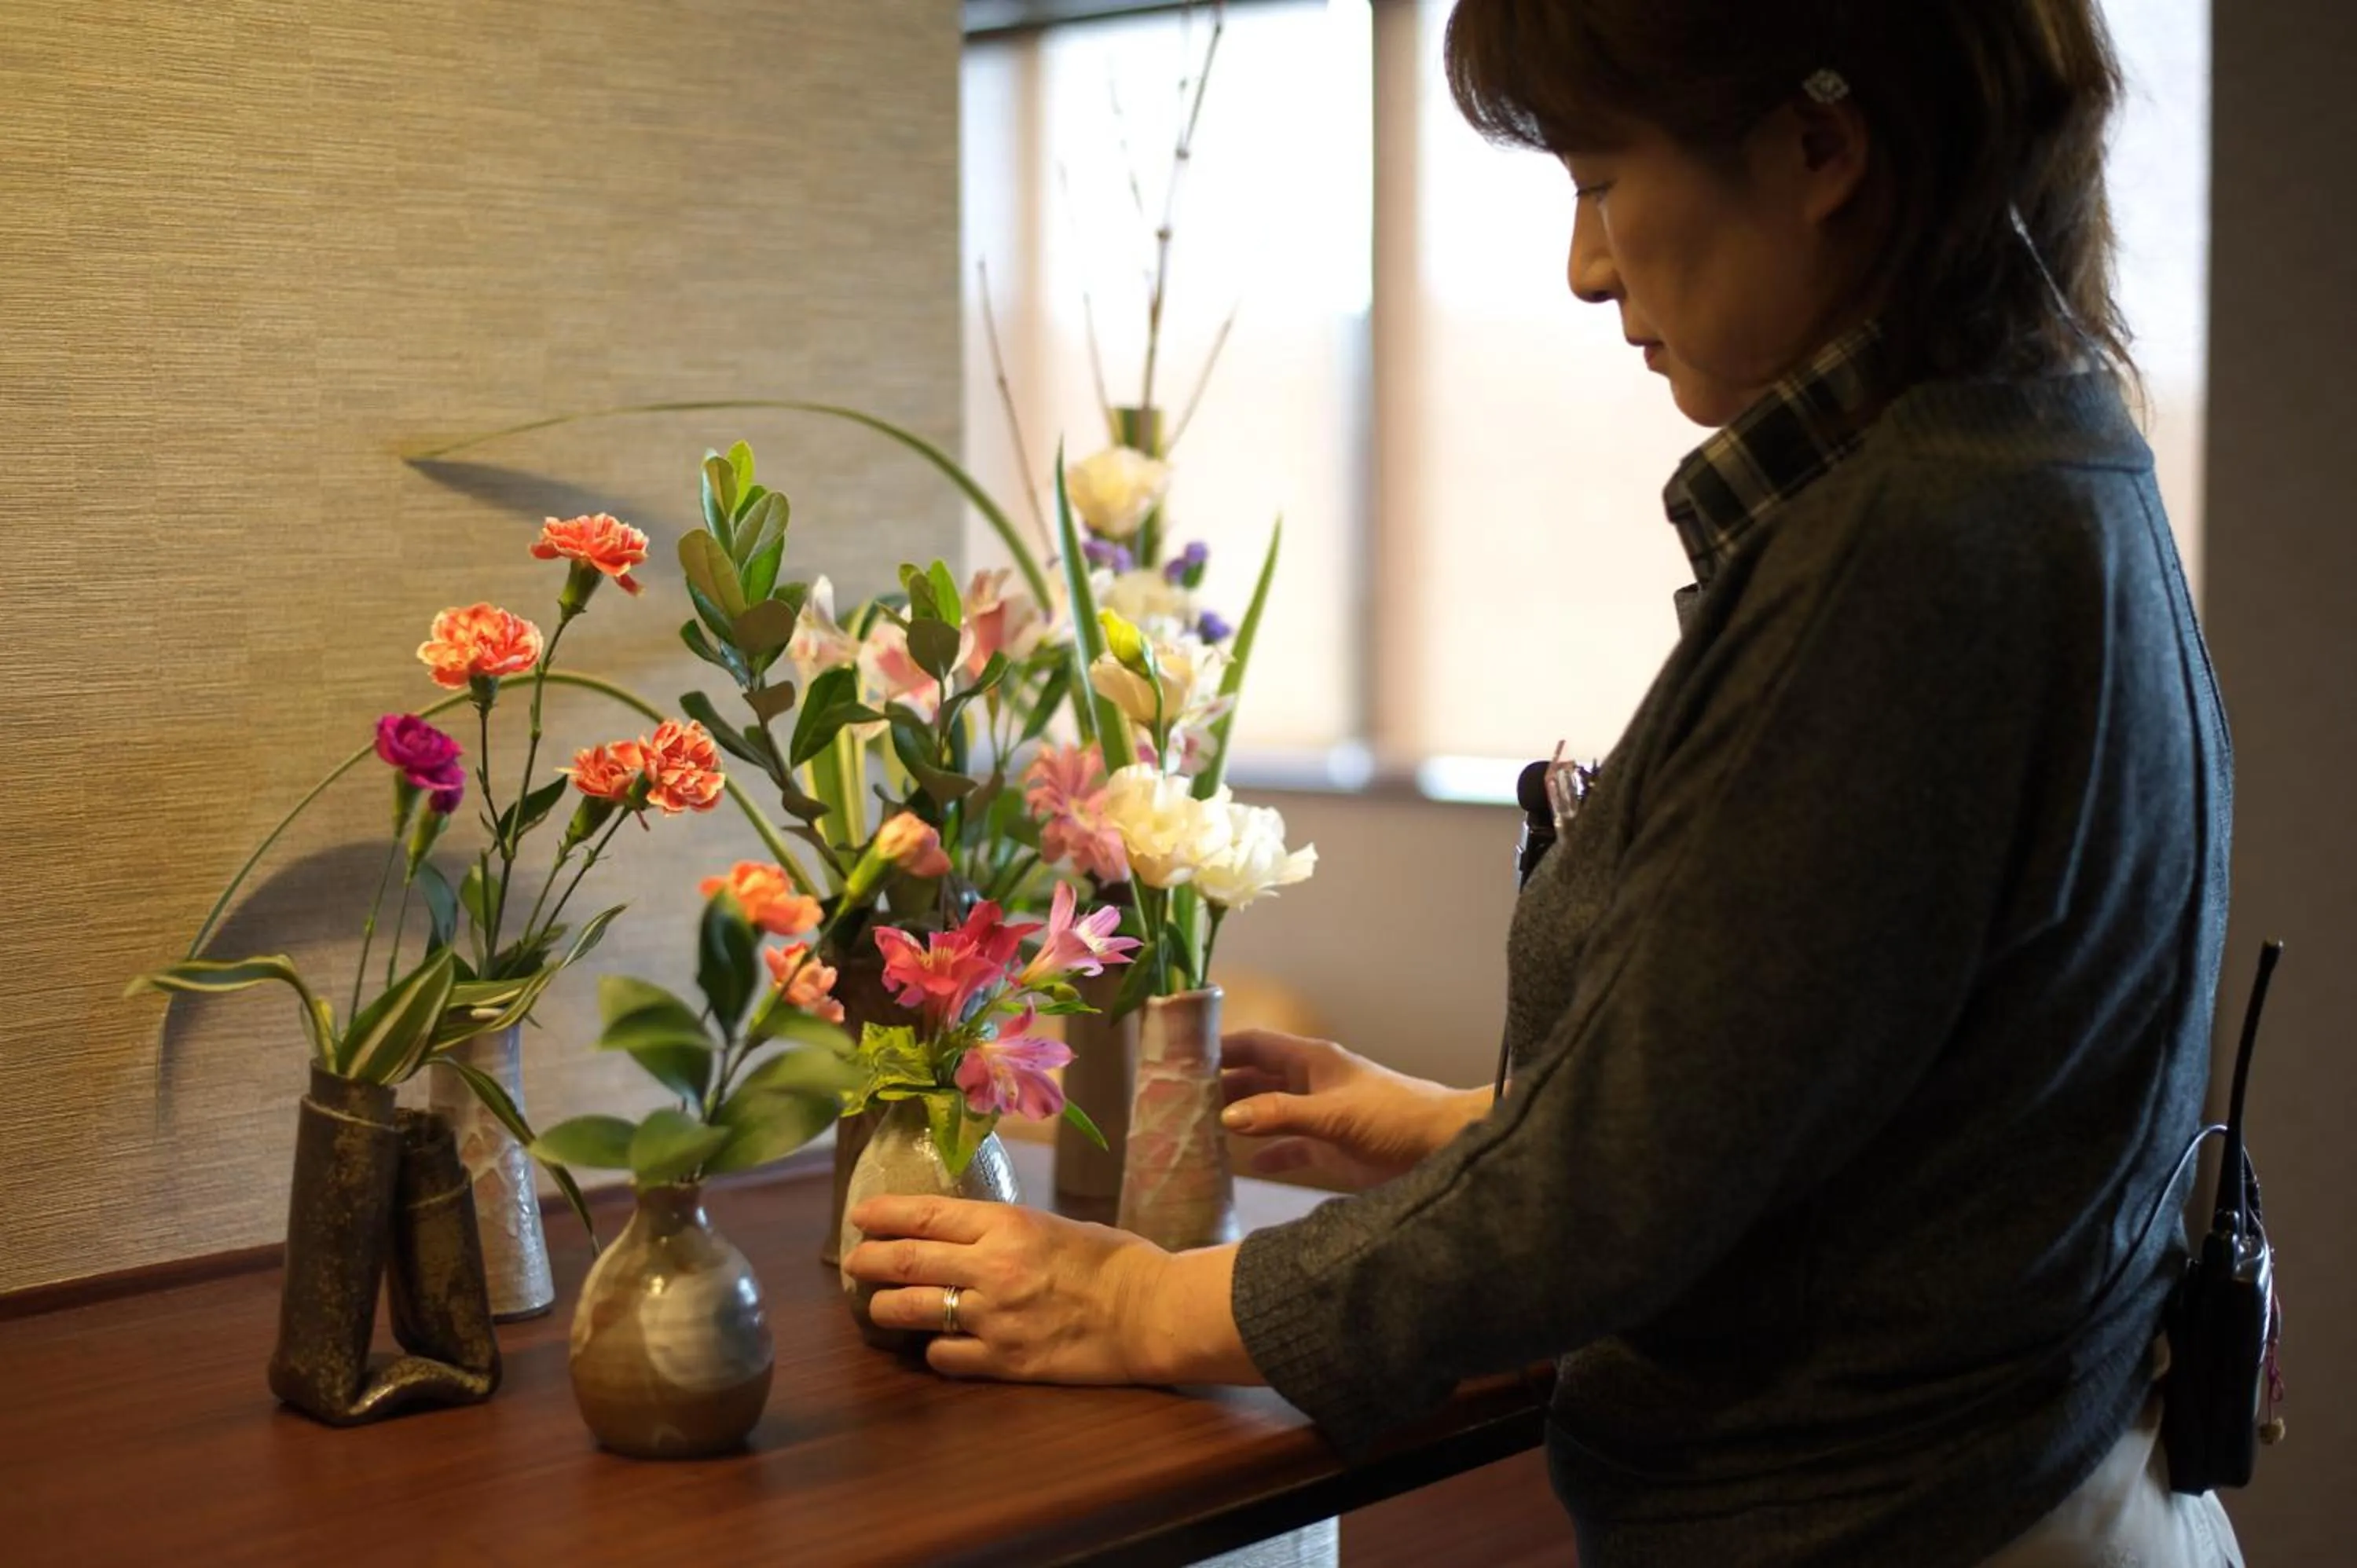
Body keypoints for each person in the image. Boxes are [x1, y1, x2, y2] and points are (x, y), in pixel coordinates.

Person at [845, 2, 2245, 1562]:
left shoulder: (1910, 555)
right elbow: (1847, 1093)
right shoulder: (2053, 467)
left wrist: (1132, 1295)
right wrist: (1468, 1127)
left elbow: (1612, 1206)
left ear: (1818, 146)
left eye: (1598, 179)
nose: (1586, 267)